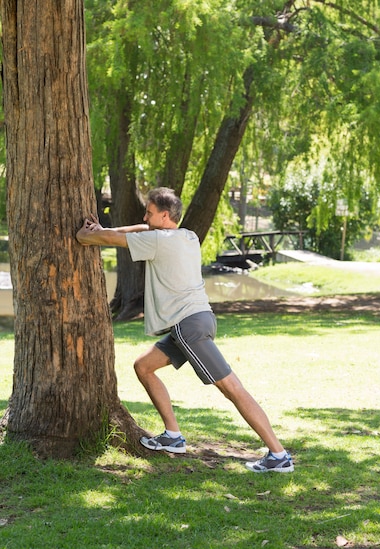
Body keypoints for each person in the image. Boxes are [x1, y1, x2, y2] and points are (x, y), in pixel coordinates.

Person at [76, 187, 294, 473]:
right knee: (143, 366)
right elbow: (139, 227)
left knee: (232, 388)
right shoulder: (187, 235)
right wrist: (108, 226)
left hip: (189, 327)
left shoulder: (157, 242)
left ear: (165, 216)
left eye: (150, 212)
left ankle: (278, 455)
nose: (145, 216)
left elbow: (108, 239)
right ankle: (174, 436)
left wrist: (87, 234)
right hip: (199, 319)